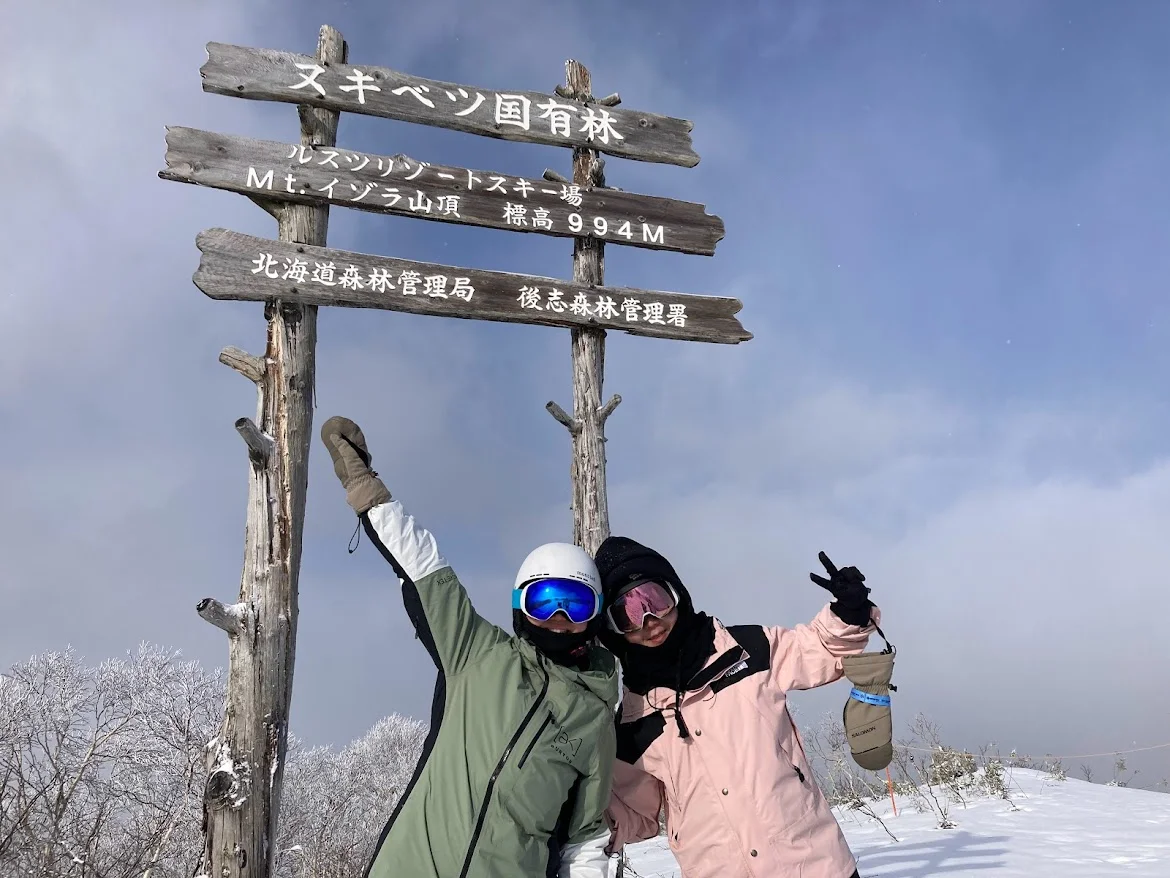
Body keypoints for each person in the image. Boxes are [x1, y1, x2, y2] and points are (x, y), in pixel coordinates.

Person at [319, 416, 620, 878]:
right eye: (546, 600)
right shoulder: (478, 654)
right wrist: (366, 488)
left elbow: (583, 842)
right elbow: (425, 569)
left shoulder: (594, 715)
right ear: (522, 605)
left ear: (594, 615)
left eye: (574, 603)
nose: (559, 619)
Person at [596, 536, 880, 878]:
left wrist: (849, 613)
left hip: (813, 863)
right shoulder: (634, 718)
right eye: (627, 613)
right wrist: (576, 815)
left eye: (655, 599)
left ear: (677, 595)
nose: (649, 620)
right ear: (611, 629)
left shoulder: (750, 650)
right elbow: (632, 814)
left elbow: (820, 649)